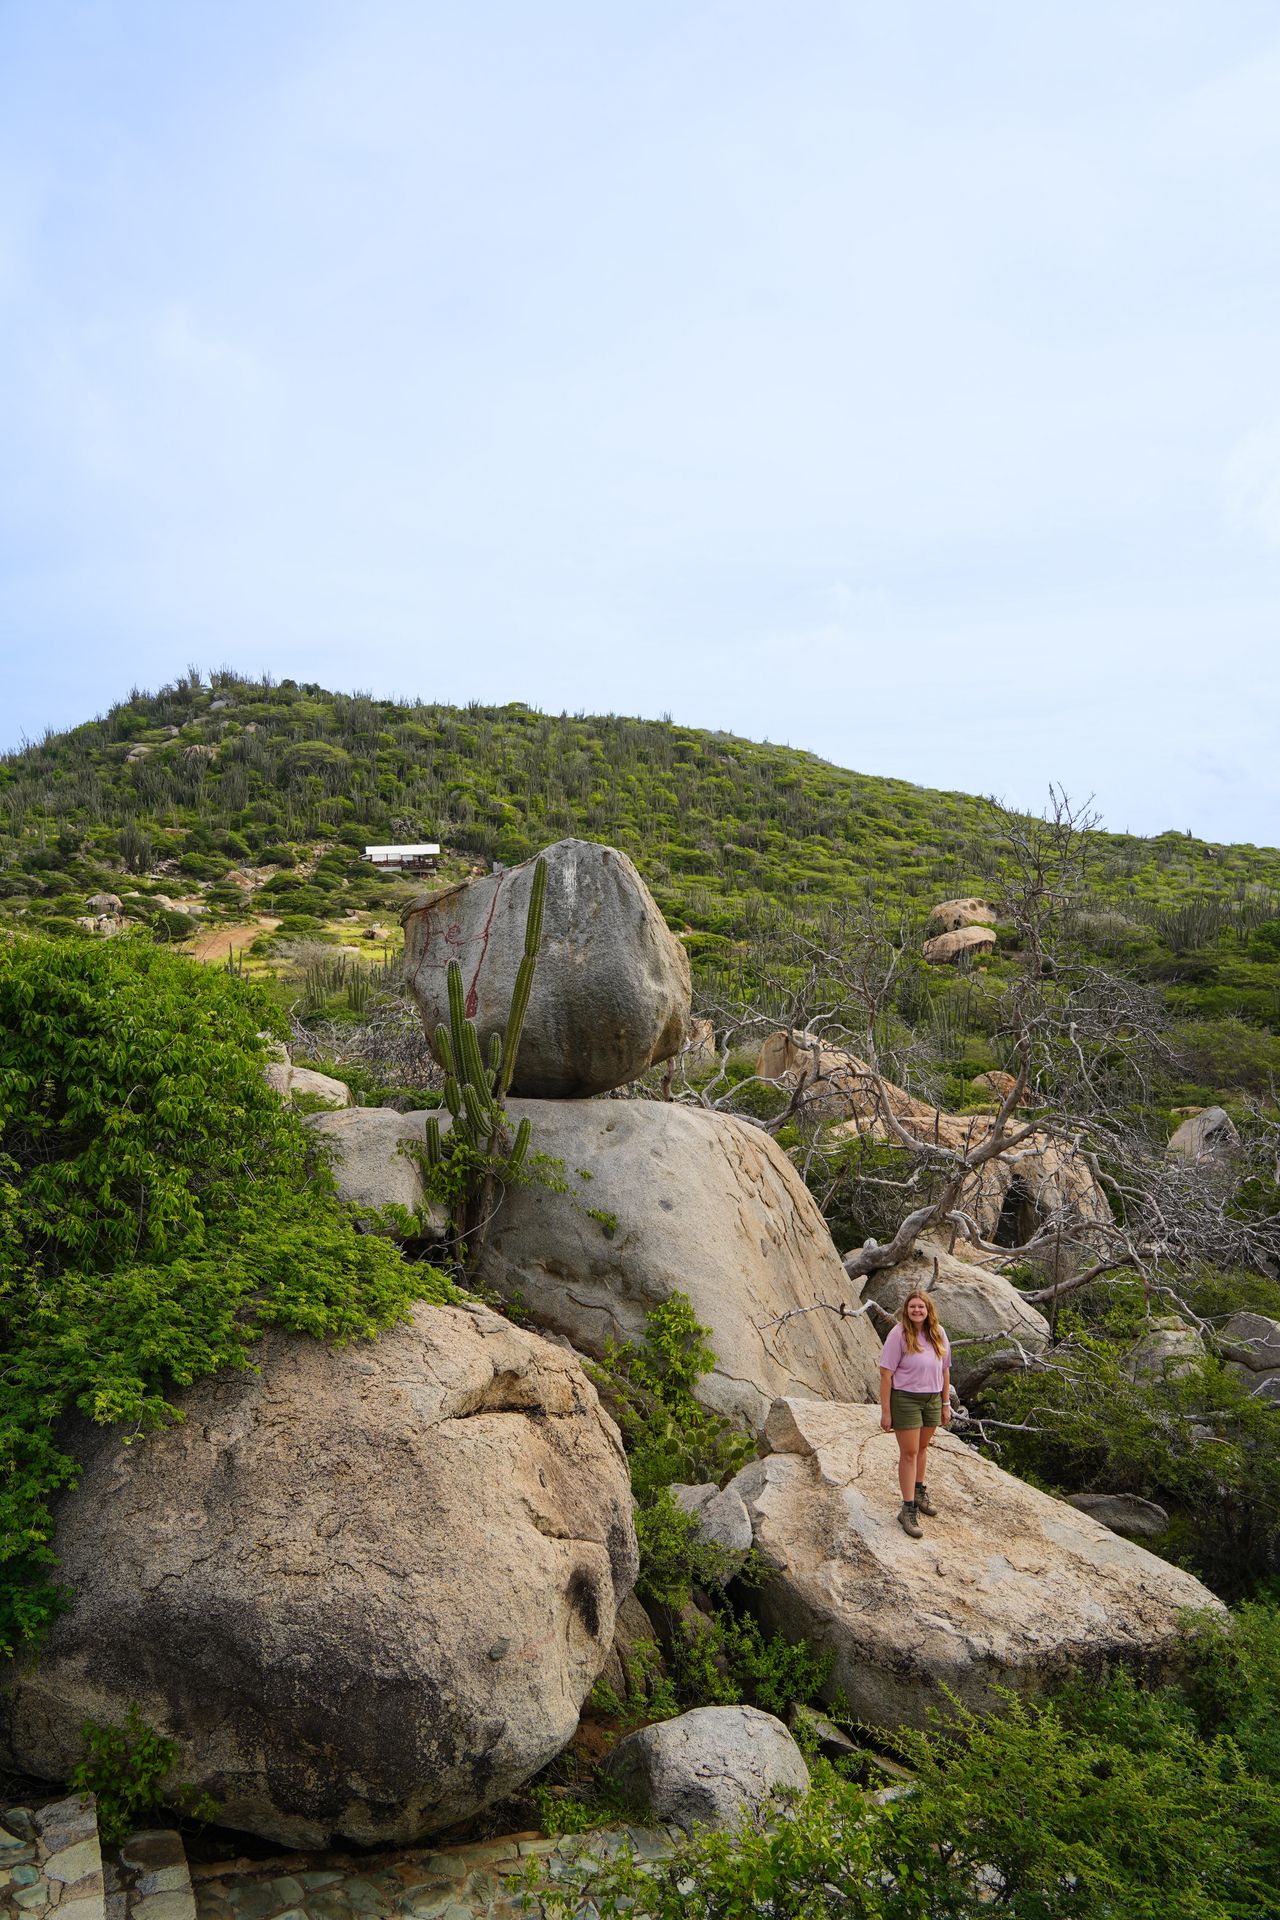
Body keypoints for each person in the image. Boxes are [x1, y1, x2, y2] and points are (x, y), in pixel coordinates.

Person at [879, 1291, 951, 1538]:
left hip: (932, 1399)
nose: (917, 1310)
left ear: (928, 1309)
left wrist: (945, 1403)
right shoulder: (898, 1334)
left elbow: (945, 1369)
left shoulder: (937, 1333)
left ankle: (919, 1491)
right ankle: (907, 1508)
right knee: (909, 1453)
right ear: (906, 1310)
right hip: (906, 1399)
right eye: (912, 1307)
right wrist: (886, 1412)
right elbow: (886, 1373)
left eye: (921, 1306)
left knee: (922, 1449)